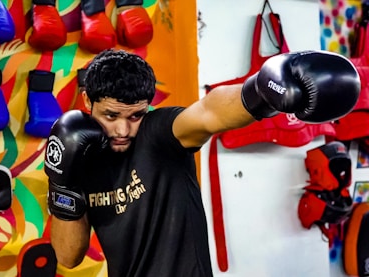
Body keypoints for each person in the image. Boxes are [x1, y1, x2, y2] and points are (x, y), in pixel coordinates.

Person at [44, 49, 360, 277]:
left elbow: (209, 112)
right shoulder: (81, 156)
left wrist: (261, 93)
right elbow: (68, 257)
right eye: (111, 116)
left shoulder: (158, 135)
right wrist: (61, 182)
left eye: (135, 115)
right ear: (88, 102)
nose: (123, 130)